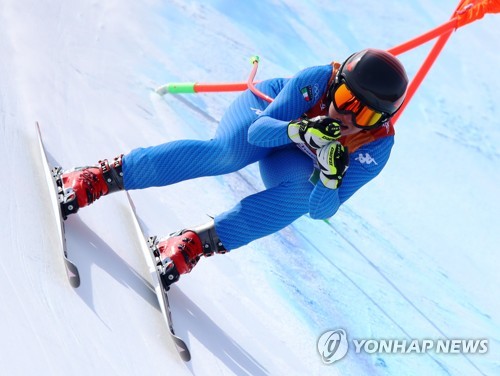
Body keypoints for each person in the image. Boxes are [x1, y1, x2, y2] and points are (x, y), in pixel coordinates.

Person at [61, 48, 408, 286]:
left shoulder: (374, 146)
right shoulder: (317, 80)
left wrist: (331, 180)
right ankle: (101, 177)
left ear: (382, 120)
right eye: (346, 101)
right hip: (269, 118)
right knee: (227, 154)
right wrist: (299, 129)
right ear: (336, 85)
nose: (347, 117)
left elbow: (321, 211)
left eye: (366, 114)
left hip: (292, 161)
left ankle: (193, 242)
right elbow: (258, 133)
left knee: (304, 195)